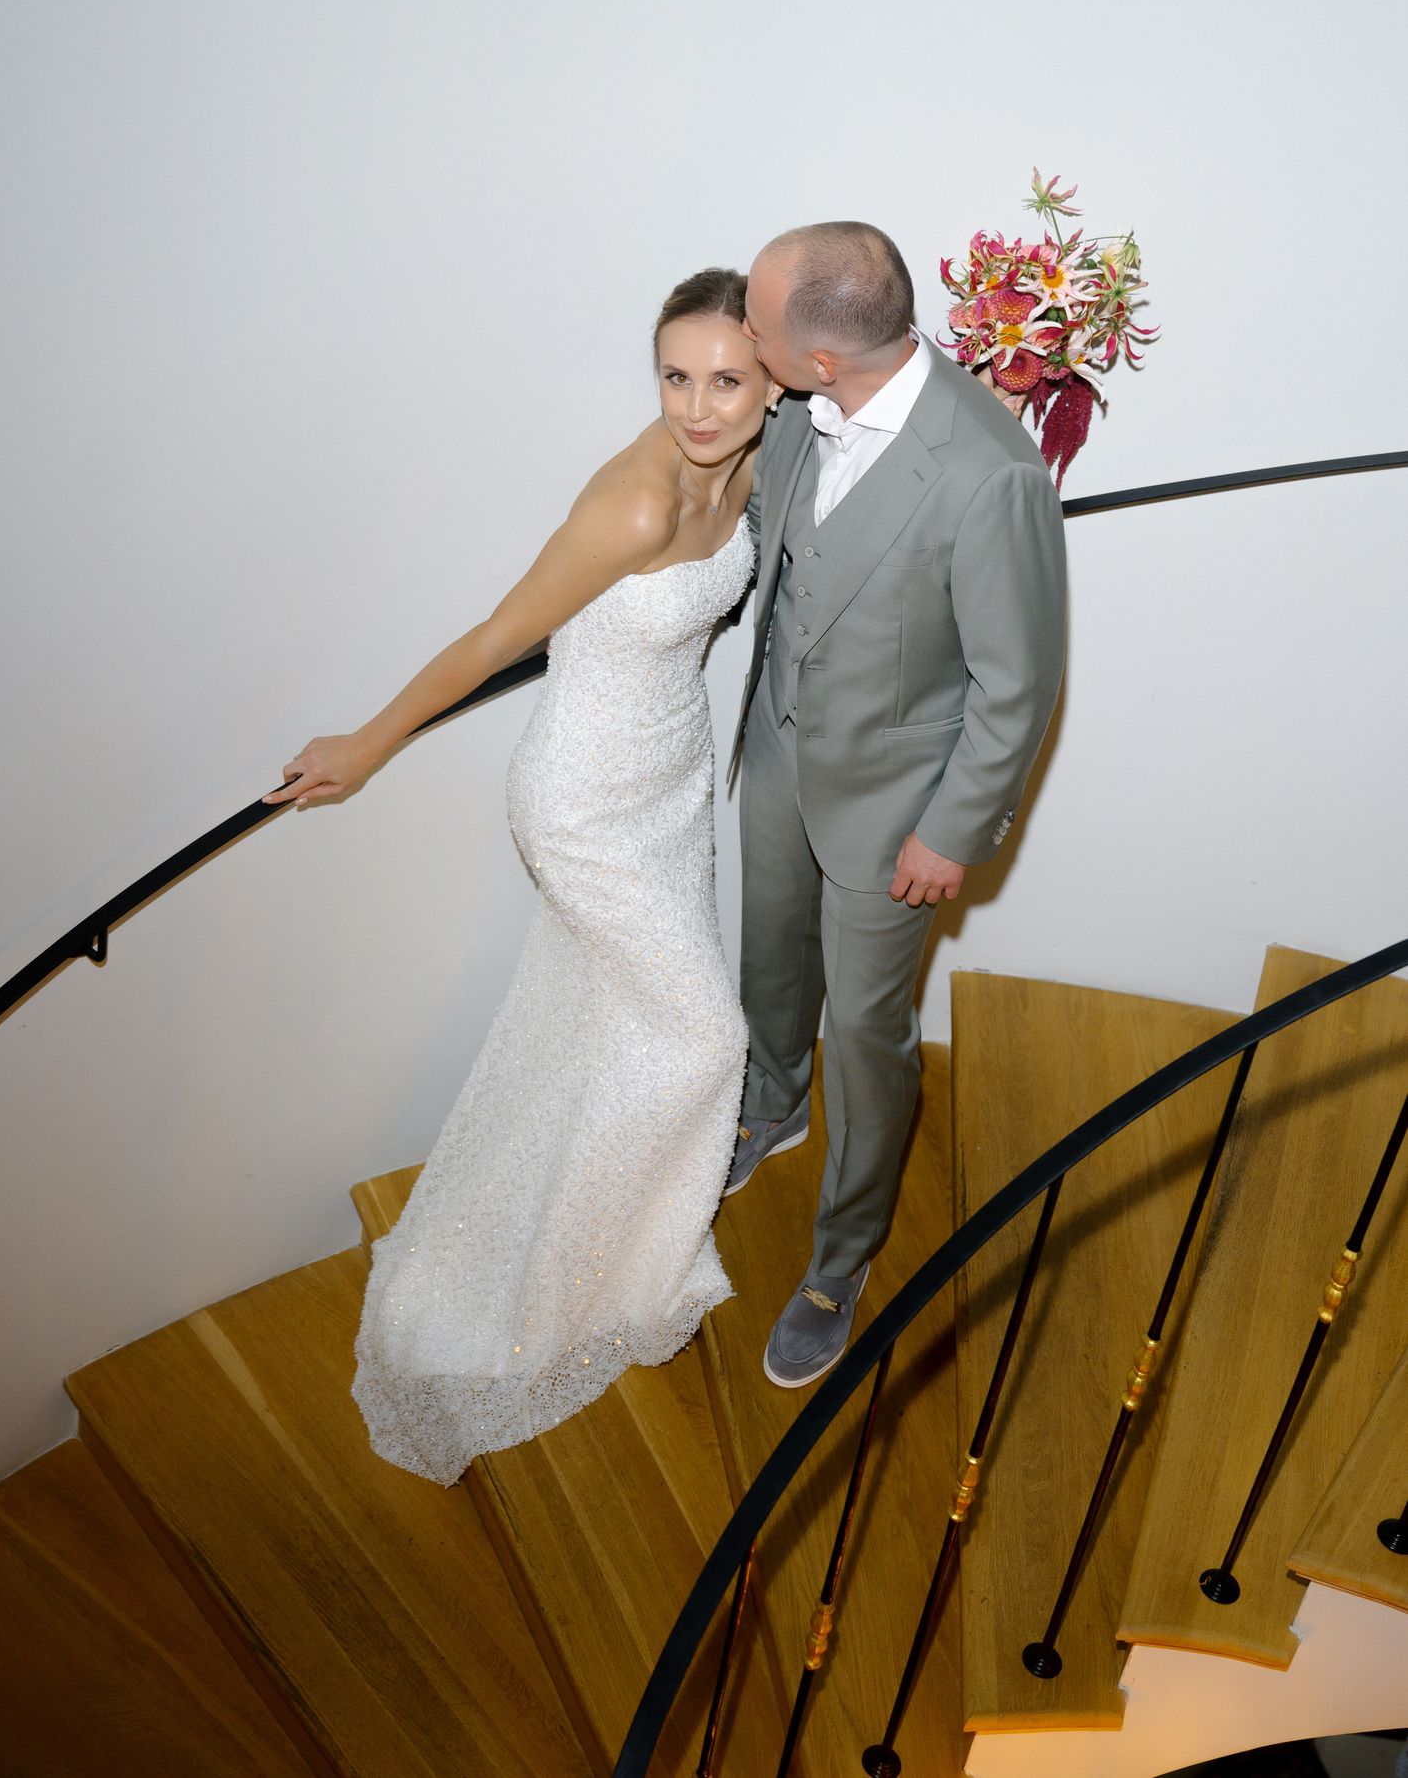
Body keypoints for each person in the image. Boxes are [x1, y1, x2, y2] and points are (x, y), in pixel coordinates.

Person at [265, 268, 774, 1484]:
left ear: (770, 378)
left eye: (724, 379)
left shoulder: (754, 463)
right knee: (703, 1037)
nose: (696, 409)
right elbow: (499, 638)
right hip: (584, 801)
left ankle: (621, 1240)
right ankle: (569, 1278)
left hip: (670, 778)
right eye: (672, 375)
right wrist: (367, 743)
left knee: (614, 1027)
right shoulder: (634, 506)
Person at [728, 221, 1067, 1389]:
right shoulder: (786, 410)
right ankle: (767, 1103)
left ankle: (841, 1254)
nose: (744, 339)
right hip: (773, 752)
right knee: (766, 955)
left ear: (823, 357)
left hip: (894, 812)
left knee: (867, 1039)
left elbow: (1014, 684)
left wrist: (949, 830)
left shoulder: (990, 471)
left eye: (756, 329)